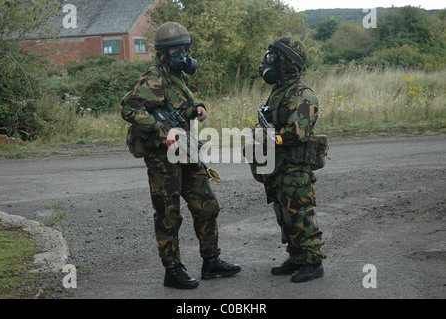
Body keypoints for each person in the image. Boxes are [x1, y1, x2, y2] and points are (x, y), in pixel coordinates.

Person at [121, 22, 240, 289]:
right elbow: (129, 108)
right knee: (168, 214)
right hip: (163, 158)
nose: (182, 54)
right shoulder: (153, 78)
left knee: (207, 205)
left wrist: (197, 108)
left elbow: (177, 106)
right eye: (176, 49)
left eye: (185, 49)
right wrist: (161, 130)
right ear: (163, 52)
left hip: (185, 151)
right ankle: (172, 270)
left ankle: (211, 262)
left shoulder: (178, 77)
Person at [252, 37, 325, 282]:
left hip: (295, 167)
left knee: (300, 213)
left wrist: (270, 137)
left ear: (287, 62)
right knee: (284, 213)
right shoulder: (279, 91)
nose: (267, 61)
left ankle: (313, 262)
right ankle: (296, 257)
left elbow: (298, 132)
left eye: (273, 56)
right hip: (279, 166)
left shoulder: (303, 95)